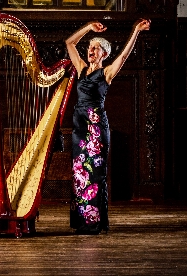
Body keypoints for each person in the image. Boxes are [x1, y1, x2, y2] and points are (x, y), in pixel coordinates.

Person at [65, 18, 151, 234]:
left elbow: (124, 54)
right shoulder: (82, 68)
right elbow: (69, 44)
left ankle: (95, 223)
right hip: (79, 127)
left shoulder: (106, 73)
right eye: (90, 47)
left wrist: (135, 30)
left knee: (95, 174)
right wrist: (87, 27)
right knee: (79, 173)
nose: (91, 51)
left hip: (96, 128)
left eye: (96, 48)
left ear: (104, 53)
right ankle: (82, 221)